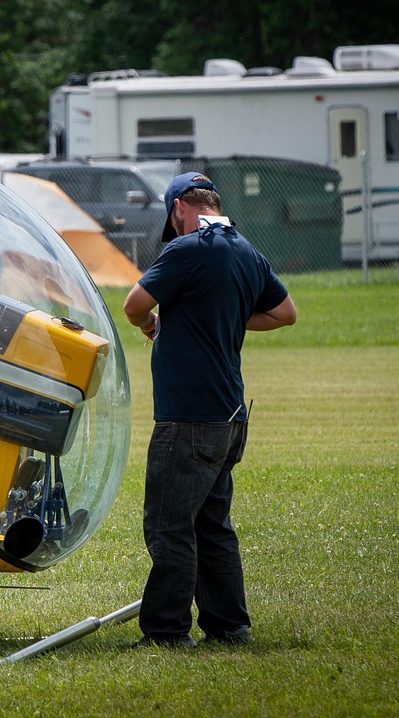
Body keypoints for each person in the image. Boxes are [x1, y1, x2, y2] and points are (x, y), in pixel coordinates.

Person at [122, 172, 297, 648]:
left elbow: (133, 305)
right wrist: (224, 316)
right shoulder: (247, 251)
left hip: (189, 418)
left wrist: (151, 323)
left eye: (172, 220)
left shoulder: (187, 249)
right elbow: (285, 313)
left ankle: (167, 632)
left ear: (180, 206)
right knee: (212, 525)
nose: (174, 230)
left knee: (170, 525)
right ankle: (228, 627)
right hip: (230, 415)